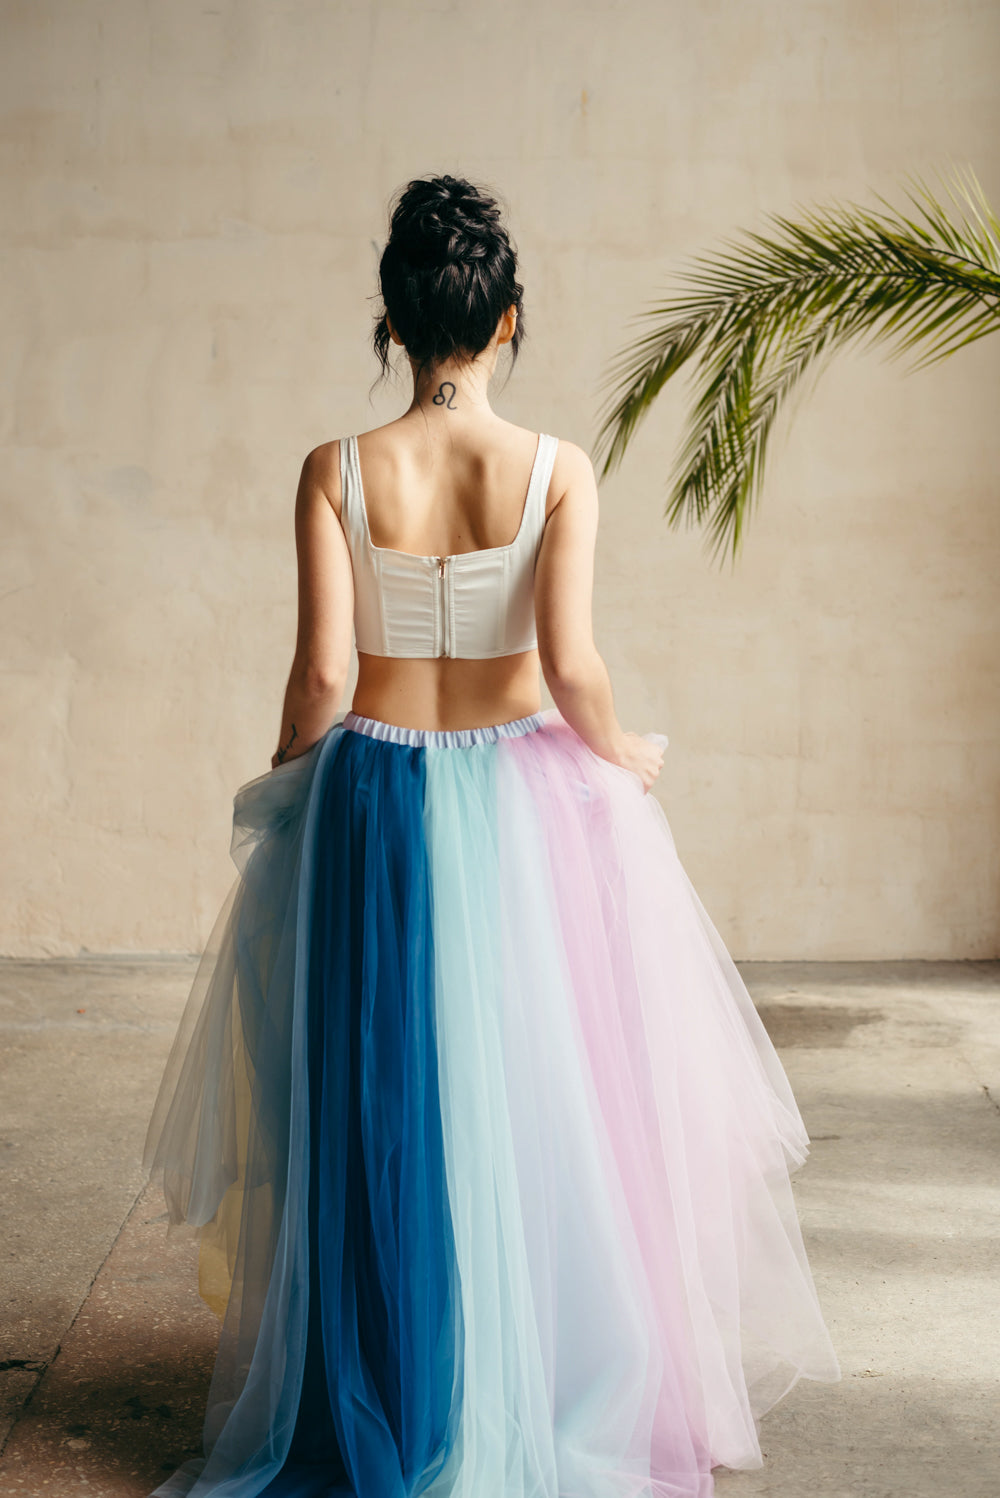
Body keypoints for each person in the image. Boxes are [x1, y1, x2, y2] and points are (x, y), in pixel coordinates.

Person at [143, 173, 839, 1498]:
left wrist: (291, 786)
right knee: (539, 1099)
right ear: (507, 320)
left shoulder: (335, 470)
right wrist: (622, 754)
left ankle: (402, 1375)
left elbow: (320, 682)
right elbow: (572, 668)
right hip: (526, 800)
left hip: (380, 800)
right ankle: (537, 1375)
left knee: (386, 1095)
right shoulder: (557, 471)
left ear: (393, 324)